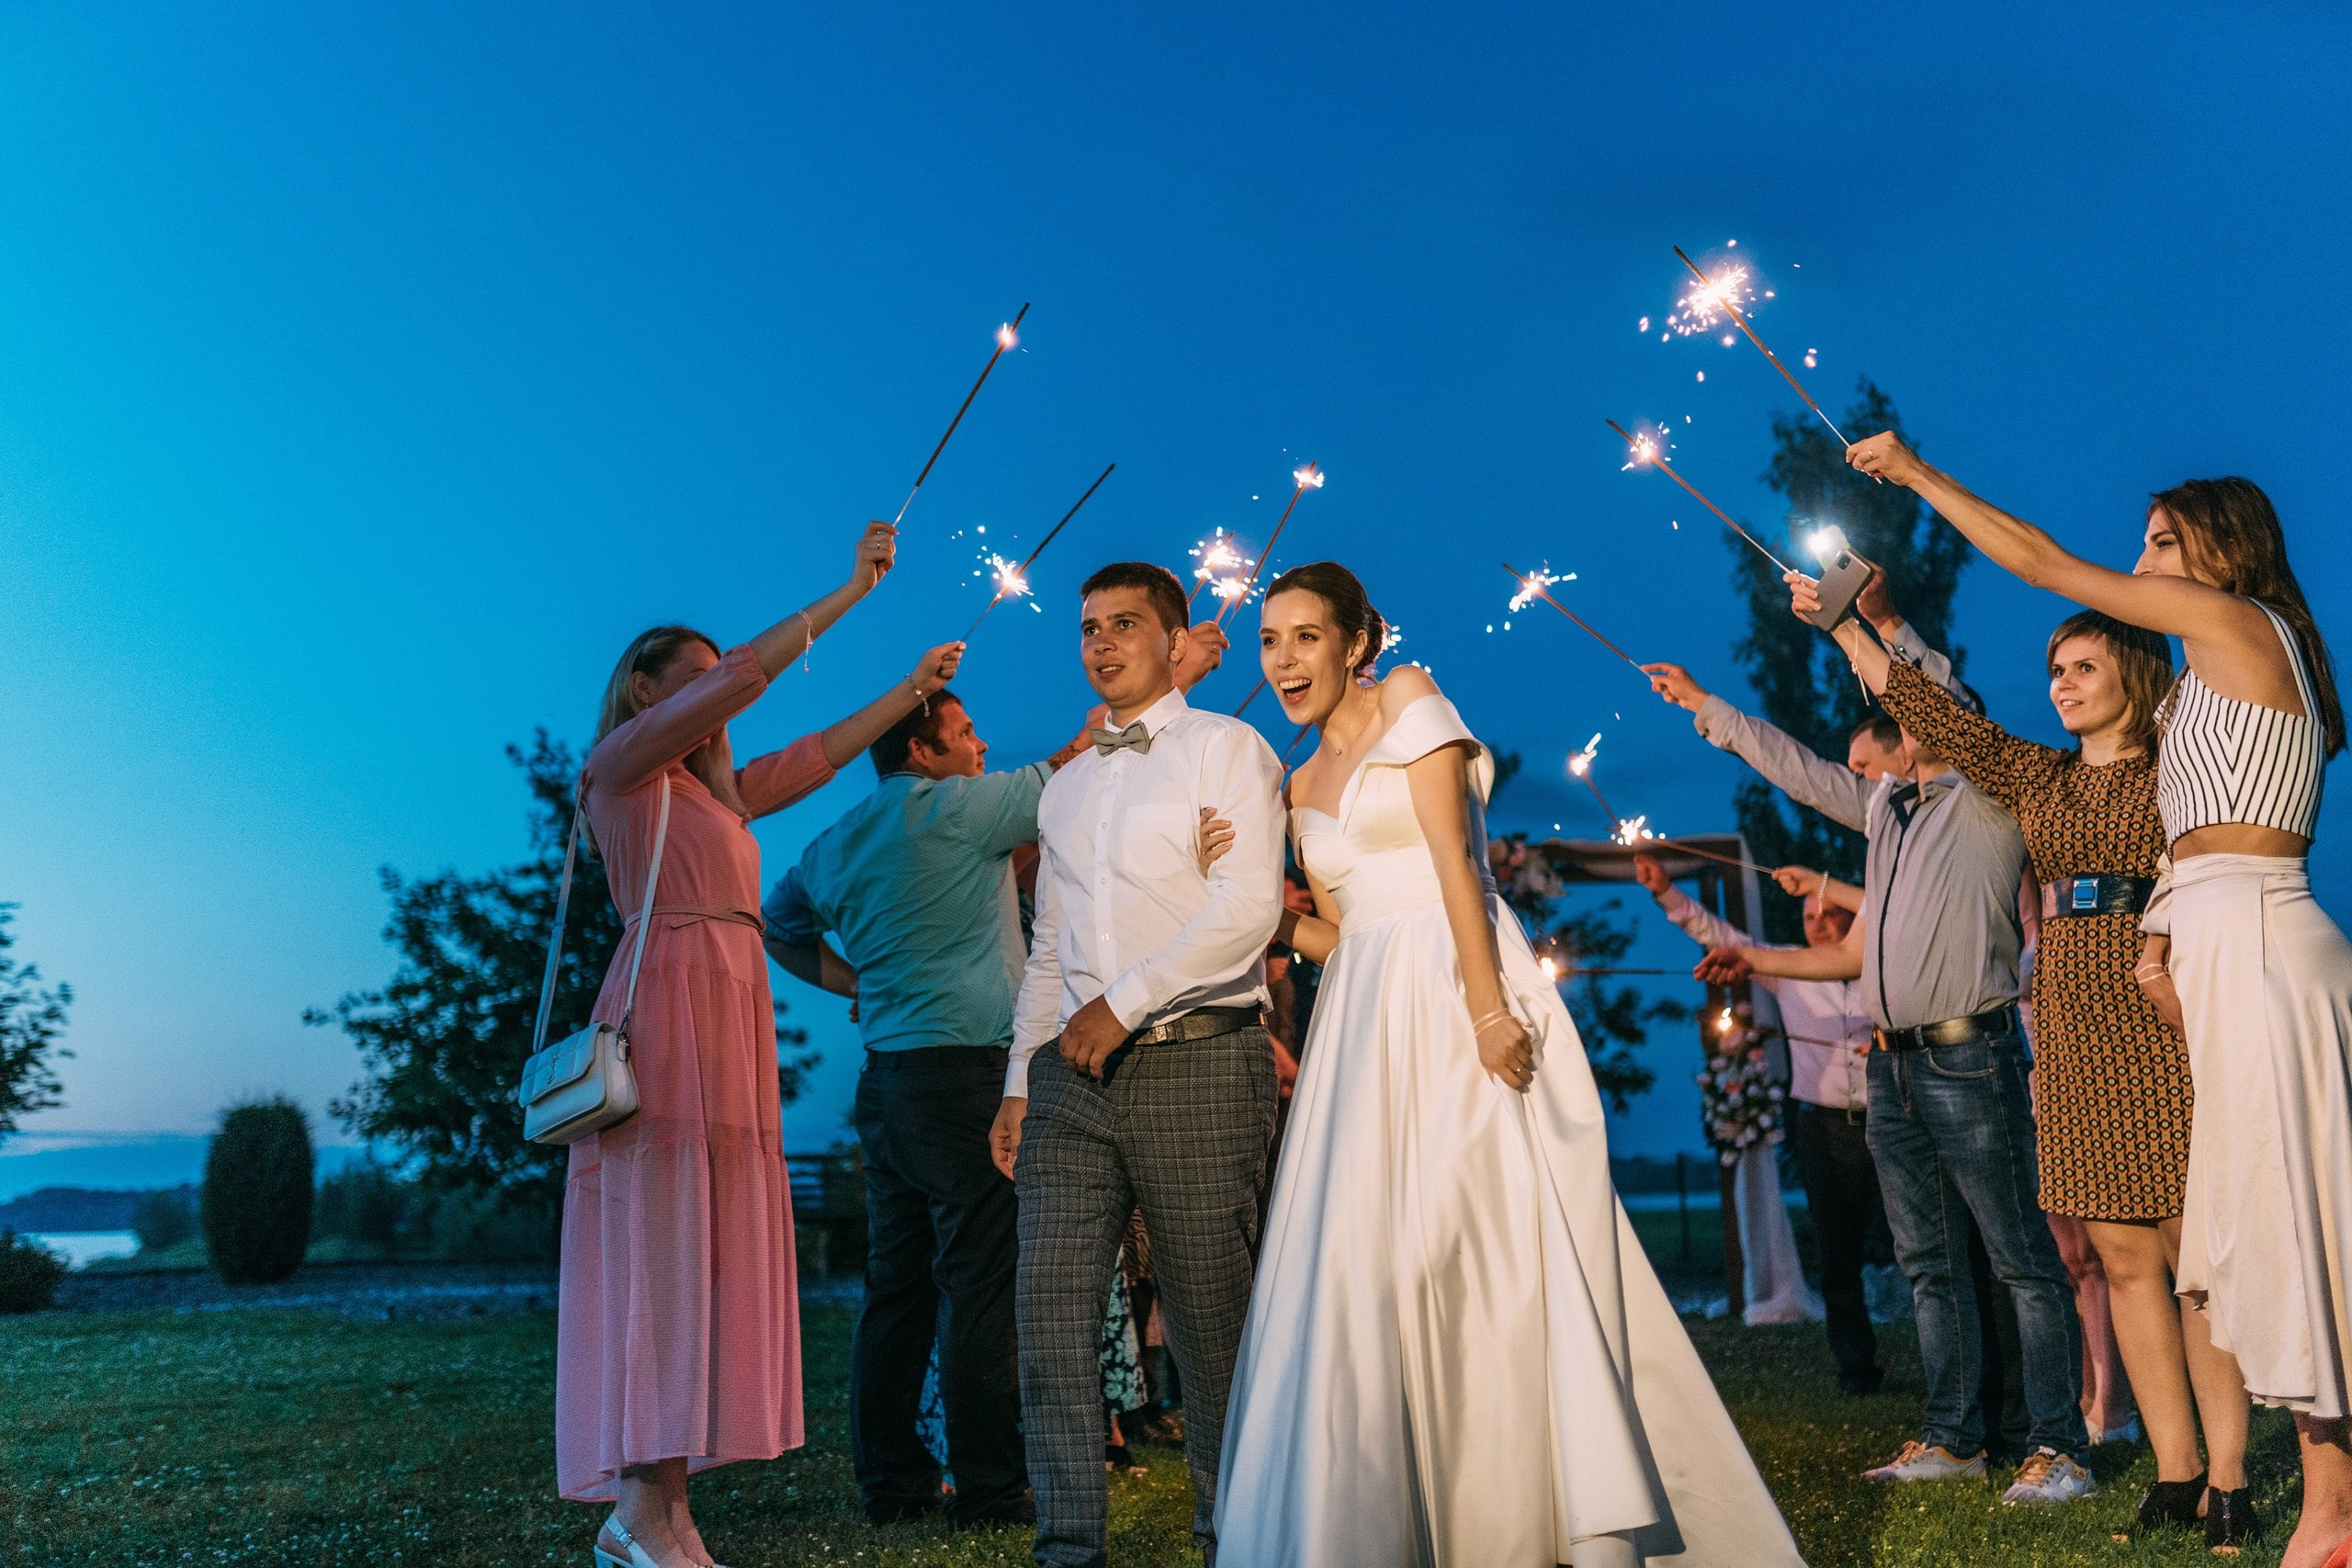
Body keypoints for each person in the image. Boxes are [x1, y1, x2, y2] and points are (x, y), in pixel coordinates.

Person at [1215, 561, 1803, 1567]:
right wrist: (1263, 909)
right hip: (1363, 1029)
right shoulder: (1290, 782)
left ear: (1359, 643)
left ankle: (1531, 1504)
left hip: (1463, 991)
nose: (1283, 661)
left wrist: (1486, 1009)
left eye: (1306, 637)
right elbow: (1344, 937)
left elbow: (1459, 861)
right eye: (1270, 642)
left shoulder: (1412, 700)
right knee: (1376, 1263)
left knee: (1487, 1241)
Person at [1843, 436, 2352, 1568]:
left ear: (2218, 552)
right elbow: (1966, 730)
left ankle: (2295, 1496)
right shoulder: (2204, 695)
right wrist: (1855, 629)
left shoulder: (2235, 630)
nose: (2139, 561)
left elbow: (2036, 562)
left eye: (2159, 541)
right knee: (2224, 1231)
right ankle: (2263, 1491)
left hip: (2248, 939)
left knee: (2264, 1227)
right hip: (2178, 957)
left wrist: (1921, 476)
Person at [1810, 566, 2256, 1546]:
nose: (2061, 683)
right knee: (2121, 1259)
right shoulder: (2039, 776)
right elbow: (1938, 714)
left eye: (2083, 665)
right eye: (2054, 668)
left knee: (2192, 1265)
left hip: (2162, 1001)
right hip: (2071, 1013)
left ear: (2133, 673)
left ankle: (2229, 1473)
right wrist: (1848, 630)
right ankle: (2173, 1475)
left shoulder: (2178, 763)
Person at [763, 629, 1228, 1533]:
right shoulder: (961, 809)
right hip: (967, 1080)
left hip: (888, 1086)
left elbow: (779, 927)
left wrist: (856, 983)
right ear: (922, 746)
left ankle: (890, 1485)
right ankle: (987, 1488)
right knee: (979, 1286)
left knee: (895, 1291)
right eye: (966, 732)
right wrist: (1178, 671)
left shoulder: (832, 843)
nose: (980, 746)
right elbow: (1080, 761)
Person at [562, 520, 963, 1568]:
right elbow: (747, 680)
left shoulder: (714, 796)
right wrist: (849, 596)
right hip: (666, 1002)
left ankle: (667, 1510)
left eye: (717, 681)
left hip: (729, 1010)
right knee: (662, 1247)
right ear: (647, 692)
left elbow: (823, 753)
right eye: (692, 680)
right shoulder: (621, 771)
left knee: (702, 1249)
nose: (717, 694)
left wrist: (914, 689)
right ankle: (640, 1510)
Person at [1646, 653, 2095, 1504]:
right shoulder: (1888, 809)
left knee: (2020, 1259)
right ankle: (1956, 1435)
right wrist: (1706, 704)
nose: (1860, 772)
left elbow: (1936, 688)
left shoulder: (1990, 799)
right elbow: (1801, 772)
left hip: (1971, 1053)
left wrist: (1872, 624)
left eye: (1901, 715)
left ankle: (2058, 1444)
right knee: (1928, 1261)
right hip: (1891, 1065)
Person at [988, 561, 1282, 1568]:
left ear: (1173, 638)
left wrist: (1125, 1002)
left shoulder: (1227, 750)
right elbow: (1048, 951)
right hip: (1071, 1081)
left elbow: (1245, 910)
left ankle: (1229, 1538)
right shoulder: (1063, 790)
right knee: (1050, 1314)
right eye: (1087, 629)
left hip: (1200, 1062)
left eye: (1123, 625)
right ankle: (1067, 1547)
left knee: (1208, 1329)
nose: (1102, 644)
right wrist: (1020, 1083)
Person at [1632, 850, 1887, 1396]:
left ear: (1850, 919)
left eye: (1830, 916)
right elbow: (1717, 934)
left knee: (1911, 1242)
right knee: (1836, 1253)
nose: (1819, 924)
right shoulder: (1786, 968)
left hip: (1889, 1119)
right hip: (1821, 1124)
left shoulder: (1885, 965)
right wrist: (1666, 894)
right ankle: (1857, 1371)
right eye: (1810, 918)